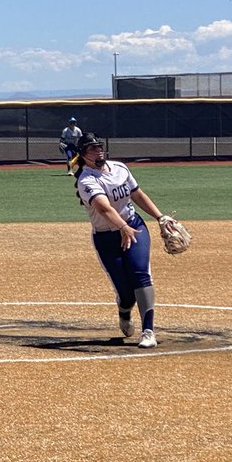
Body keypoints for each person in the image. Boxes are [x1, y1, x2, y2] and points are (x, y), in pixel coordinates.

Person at [72, 132, 172, 349]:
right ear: (83, 155)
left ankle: (148, 331)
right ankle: (124, 310)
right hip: (107, 238)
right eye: (92, 148)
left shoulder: (120, 168)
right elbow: (103, 208)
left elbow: (137, 194)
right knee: (126, 294)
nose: (98, 151)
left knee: (141, 274)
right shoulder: (86, 180)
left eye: (99, 146)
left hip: (134, 227)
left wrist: (160, 217)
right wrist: (122, 227)